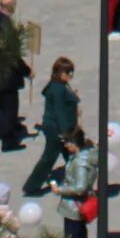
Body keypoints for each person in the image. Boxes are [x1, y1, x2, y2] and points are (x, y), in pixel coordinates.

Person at [21, 58, 80, 197]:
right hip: (57, 130)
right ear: (59, 72)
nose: (70, 74)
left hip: (57, 128)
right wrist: (66, 134)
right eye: (67, 72)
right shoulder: (58, 89)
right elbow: (60, 112)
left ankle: (77, 181)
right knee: (49, 158)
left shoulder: (58, 85)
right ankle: (31, 186)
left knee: (71, 156)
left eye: (72, 71)